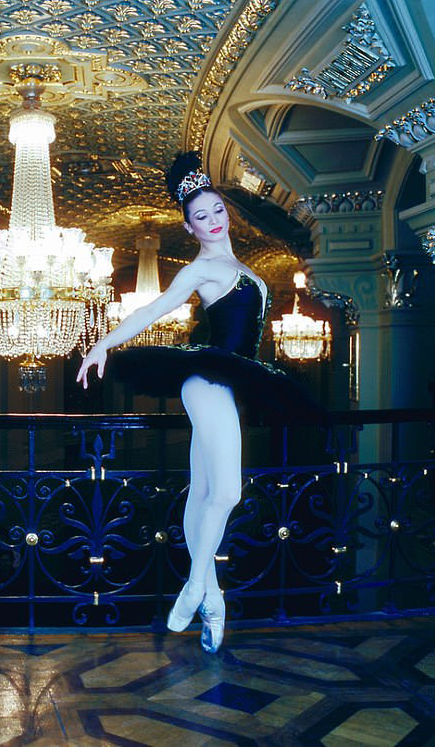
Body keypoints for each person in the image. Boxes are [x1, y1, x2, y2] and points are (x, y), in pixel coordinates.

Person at [77, 152, 317, 653]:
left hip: (230, 382)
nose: (212, 221)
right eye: (201, 217)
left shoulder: (241, 266)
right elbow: (153, 308)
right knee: (227, 493)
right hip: (206, 380)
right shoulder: (201, 268)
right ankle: (194, 589)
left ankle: (212, 598)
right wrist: (103, 344)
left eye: (217, 210)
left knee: (204, 490)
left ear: (226, 212)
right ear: (189, 227)